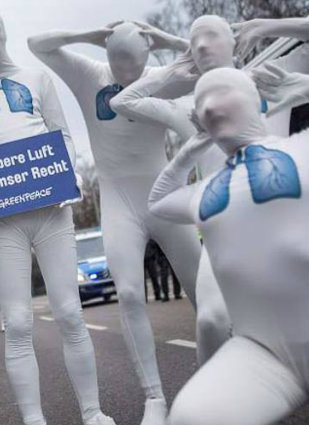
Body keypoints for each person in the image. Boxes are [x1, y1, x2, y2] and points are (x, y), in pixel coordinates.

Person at [149, 66, 309, 425]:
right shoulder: (205, 192)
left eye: (221, 92)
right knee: (191, 416)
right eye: (201, 103)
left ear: (256, 102)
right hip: (263, 351)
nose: (211, 107)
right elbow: (157, 201)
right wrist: (193, 147)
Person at [110, 14, 309, 367]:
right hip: (225, 227)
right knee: (211, 319)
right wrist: (171, 69)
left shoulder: (271, 76)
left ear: (234, 41)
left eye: (211, 35)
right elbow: (121, 103)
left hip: (284, 218)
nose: (203, 45)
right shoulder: (188, 109)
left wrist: (267, 27)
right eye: (195, 41)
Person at [0, 8, 114, 425]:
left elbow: (63, 135)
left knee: (70, 312)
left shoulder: (37, 79)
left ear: (4, 33)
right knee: (18, 322)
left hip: (51, 210)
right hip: (3, 223)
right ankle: (33, 419)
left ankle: (91, 411)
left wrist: (68, 170)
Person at [28, 21, 200, 425]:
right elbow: (37, 43)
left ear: (147, 57)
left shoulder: (160, 78)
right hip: (119, 200)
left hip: (164, 193)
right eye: (119, 63)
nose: (127, 74)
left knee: (200, 287)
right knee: (129, 293)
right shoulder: (89, 75)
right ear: (107, 55)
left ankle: (221, 375)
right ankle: (154, 396)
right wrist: (88, 35)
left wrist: (168, 40)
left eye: (136, 65)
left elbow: (204, 61)